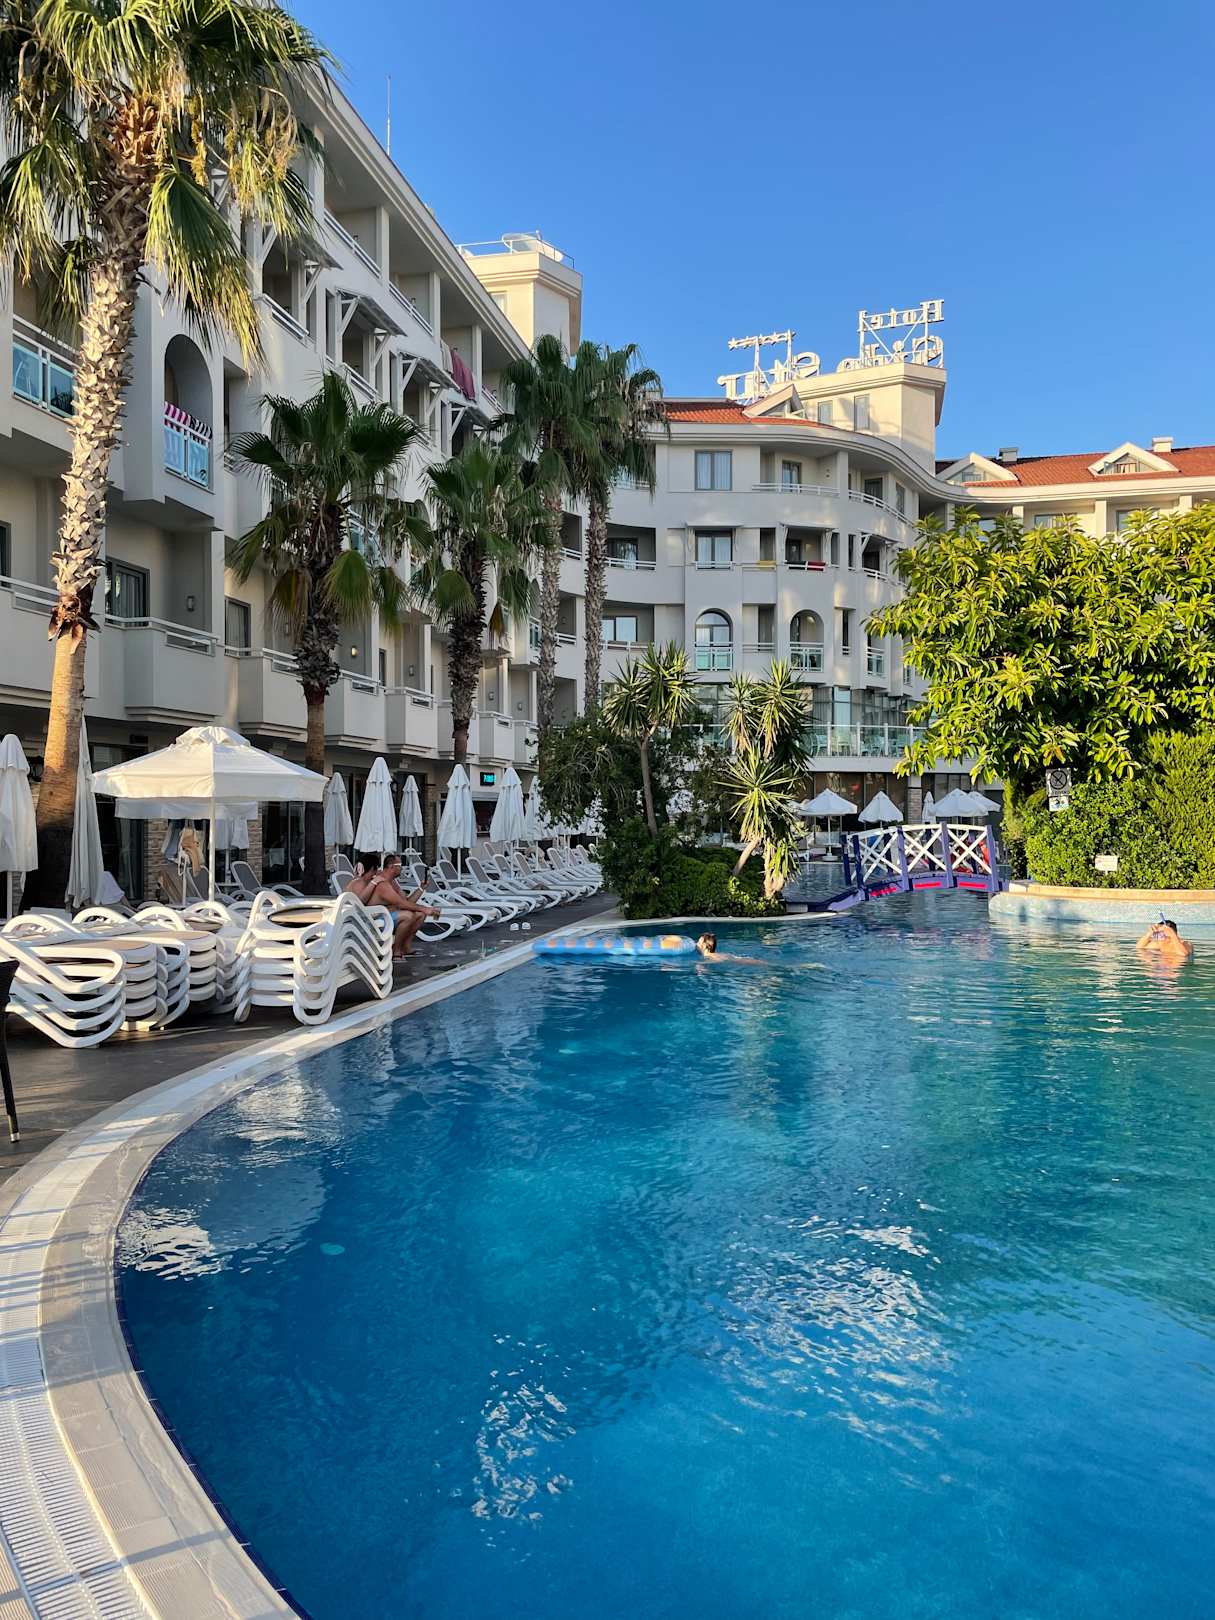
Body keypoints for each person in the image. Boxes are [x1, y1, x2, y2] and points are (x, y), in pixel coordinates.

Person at [349, 854, 442, 960]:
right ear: (392, 867)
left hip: (385, 916)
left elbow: (406, 902)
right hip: (374, 920)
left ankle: (405, 947)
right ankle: (395, 951)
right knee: (408, 916)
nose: (402, 868)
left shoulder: (393, 882)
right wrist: (425, 909)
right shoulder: (382, 884)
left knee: (420, 915)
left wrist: (421, 889)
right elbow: (401, 904)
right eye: (400, 865)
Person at [694, 932, 765, 966]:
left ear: (704, 946)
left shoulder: (710, 955)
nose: (696, 944)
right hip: (738, 959)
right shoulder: (712, 954)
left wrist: (701, 964)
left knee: (764, 965)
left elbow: (720, 960)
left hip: (741, 960)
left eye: (699, 942)